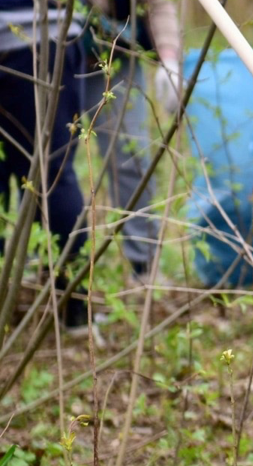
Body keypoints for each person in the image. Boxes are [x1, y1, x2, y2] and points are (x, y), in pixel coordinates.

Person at [0, 0, 89, 329]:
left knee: (51, 176)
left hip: (44, 36)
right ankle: (73, 308)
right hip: (47, 40)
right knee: (53, 174)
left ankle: (69, 303)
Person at [81, 0, 182, 280]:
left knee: (132, 155)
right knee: (46, 162)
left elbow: (158, 4)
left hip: (117, 56)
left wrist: (169, 57)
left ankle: (143, 264)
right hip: (46, 53)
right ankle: (47, 265)